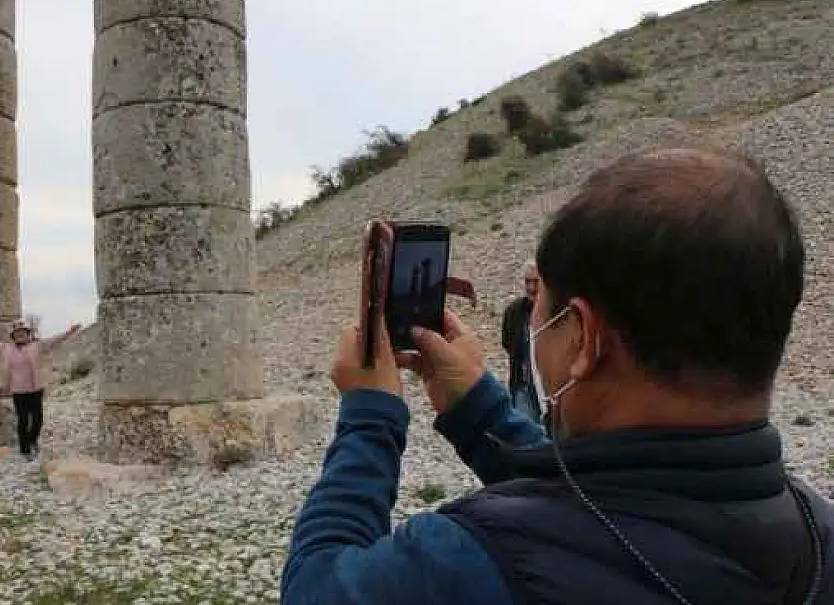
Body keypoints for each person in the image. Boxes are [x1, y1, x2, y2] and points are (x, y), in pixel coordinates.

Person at [280, 148, 832, 605]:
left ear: (584, 338)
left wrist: (370, 416)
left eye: (542, 306)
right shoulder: (818, 529)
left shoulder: (471, 561)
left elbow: (315, 588)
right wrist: (478, 409)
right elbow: (605, 502)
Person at [0, 319, 82, 459]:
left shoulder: (38, 346)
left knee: (38, 420)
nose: (20, 335)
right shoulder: (5, 349)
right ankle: (25, 450)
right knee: (23, 420)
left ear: (28, 334)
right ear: (13, 336)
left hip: (36, 389)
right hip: (18, 391)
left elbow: (55, 340)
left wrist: (69, 332)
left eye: (23, 332)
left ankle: (32, 441)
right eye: (17, 333)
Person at [501, 261, 543, 424]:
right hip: (523, 386)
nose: (531, 288)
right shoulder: (514, 311)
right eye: (528, 282)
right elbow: (507, 342)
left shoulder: (557, 311)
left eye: (536, 282)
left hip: (549, 390)